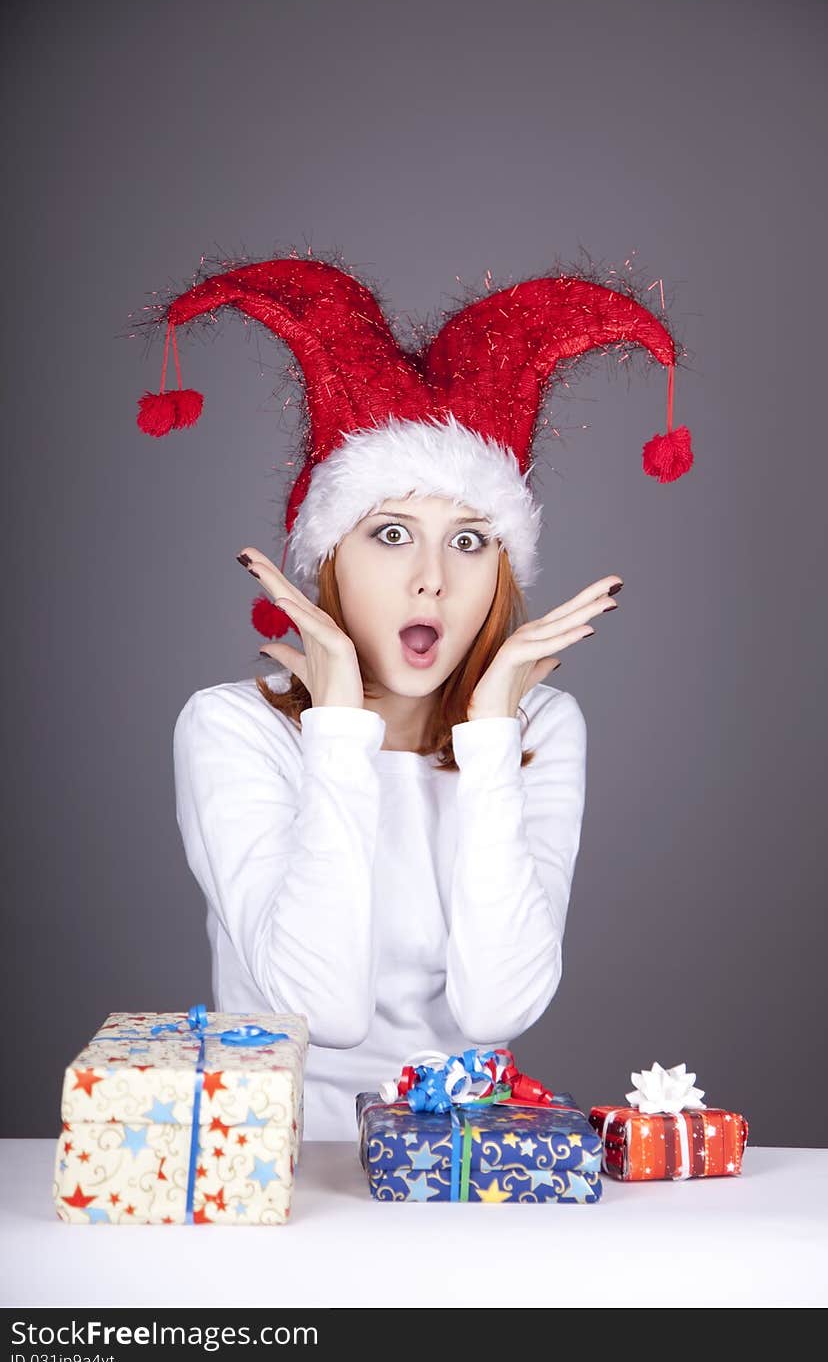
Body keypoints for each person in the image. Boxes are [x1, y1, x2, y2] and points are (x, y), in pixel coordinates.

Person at [137, 254, 692, 1140]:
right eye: (391, 534)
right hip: (279, 1169)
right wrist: (338, 732)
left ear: (502, 569)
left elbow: (497, 1011)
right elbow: (320, 1009)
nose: (431, 580)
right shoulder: (230, 725)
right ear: (329, 561)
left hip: (459, 1167)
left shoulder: (540, 727)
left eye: (469, 540)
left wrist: (489, 740)